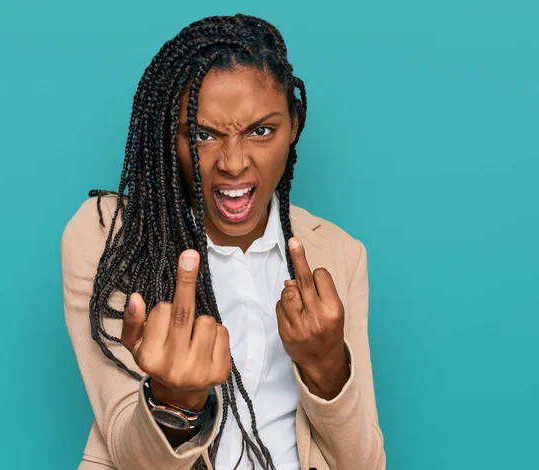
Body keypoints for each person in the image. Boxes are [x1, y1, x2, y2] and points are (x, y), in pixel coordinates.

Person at [60, 13, 386, 470]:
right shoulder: (108, 237)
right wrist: (177, 406)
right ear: (167, 138)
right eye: (201, 135)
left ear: (294, 126)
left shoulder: (338, 253)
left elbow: (365, 464)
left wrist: (327, 367)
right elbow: (123, 447)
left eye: (261, 130)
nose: (233, 164)